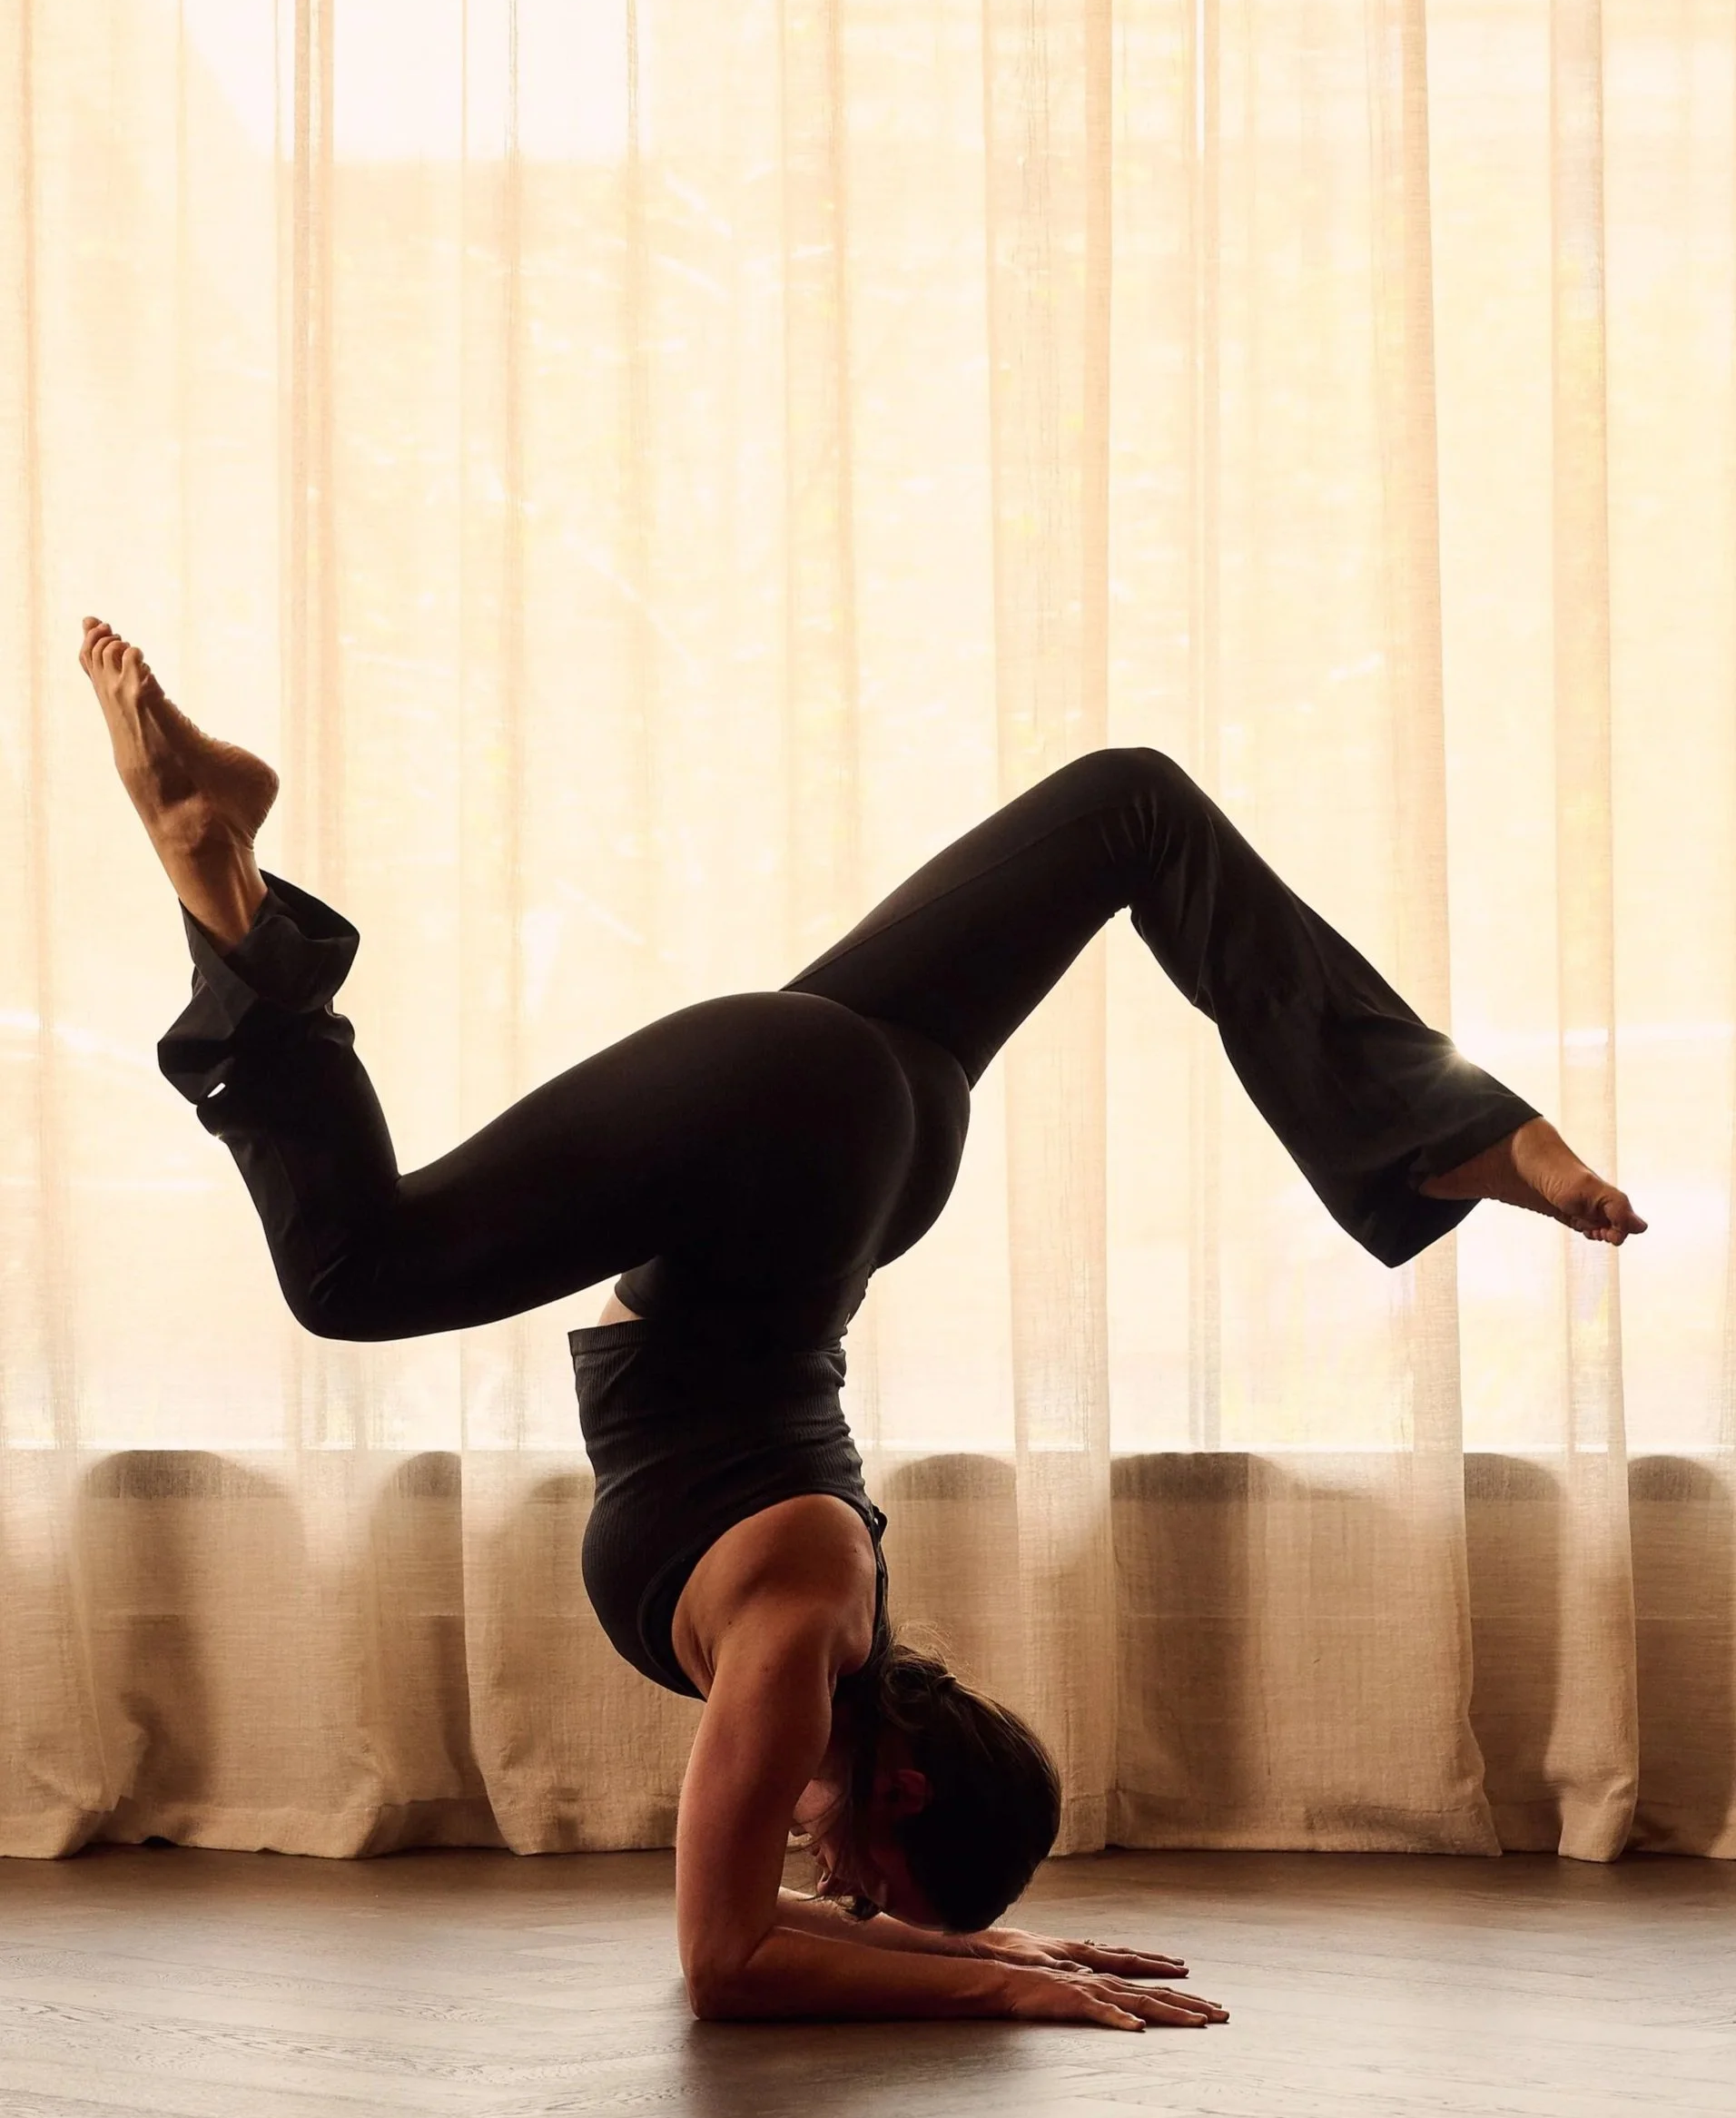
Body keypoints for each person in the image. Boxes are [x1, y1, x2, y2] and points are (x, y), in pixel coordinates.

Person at [77, 617, 1644, 2032]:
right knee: (357, 1277)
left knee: (1129, 807)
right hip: (786, 1140)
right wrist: (1006, 1985)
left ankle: (1441, 1131)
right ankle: (223, 884)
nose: (842, 1895)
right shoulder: (796, 1646)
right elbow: (730, 1966)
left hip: (875, 1126)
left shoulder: (848, 1628)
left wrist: (1011, 1948)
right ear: (900, 1789)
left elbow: (765, 1936)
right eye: (875, 1882)